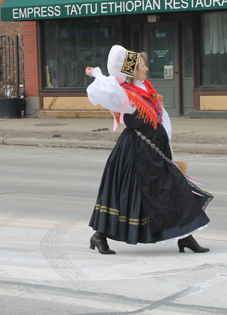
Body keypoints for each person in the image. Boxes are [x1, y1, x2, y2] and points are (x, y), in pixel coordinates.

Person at [85, 45, 213, 254]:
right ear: (134, 71)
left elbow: (161, 116)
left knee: (172, 189)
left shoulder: (145, 88)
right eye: (143, 65)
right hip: (137, 151)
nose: (146, 68)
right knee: (127, 194)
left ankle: (185, 237)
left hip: (155, 149)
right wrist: (98, 74)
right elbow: (107, 89)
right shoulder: (125, 94)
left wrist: (166, 140)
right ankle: (99, 235)